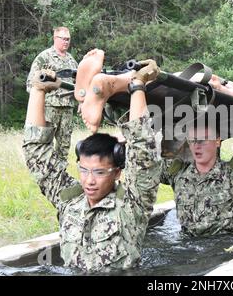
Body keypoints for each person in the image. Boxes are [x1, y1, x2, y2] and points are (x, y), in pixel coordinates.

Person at [22, 60, 162, 272]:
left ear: (116, 173)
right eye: (84, 170)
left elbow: (143, 151)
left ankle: (118, 83)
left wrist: (138, 86)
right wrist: (37, 90)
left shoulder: (132, 205)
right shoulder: (69, 201)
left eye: (98, 172)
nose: (89, 180)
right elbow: (36, 153)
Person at [159, 112, 233, 237]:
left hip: (224, 248)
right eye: (192, 140)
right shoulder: (177, 172)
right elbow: (147, 168)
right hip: (187, 247)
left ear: (217, 141)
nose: (196, 145)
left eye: (203, 140)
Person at [26, 27, 78, 161]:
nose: (66, 42)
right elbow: (31, 83)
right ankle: (45, 173)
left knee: (64, 145)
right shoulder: (44, 57)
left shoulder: (72, 61)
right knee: (44, 141)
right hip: (50, 107)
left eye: (68, 39)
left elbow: (79, 84)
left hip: (67, 108)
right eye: (63, 39)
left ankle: (61, 176)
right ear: (55, 38)